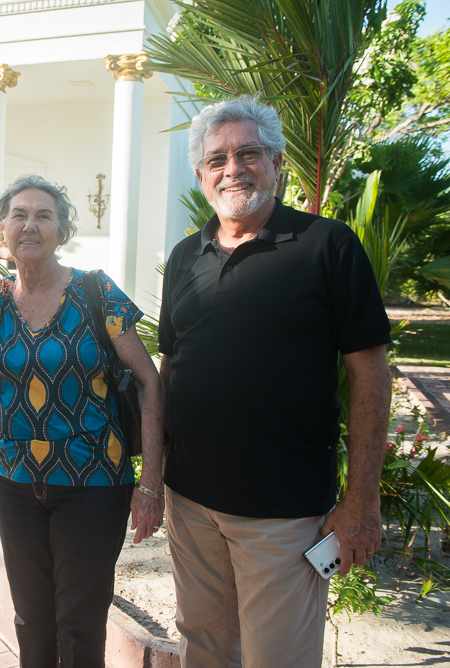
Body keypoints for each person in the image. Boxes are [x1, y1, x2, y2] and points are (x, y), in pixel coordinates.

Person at [158, 95, 391, 668]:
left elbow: (369, 374)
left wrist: (362, 499)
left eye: (249, 153)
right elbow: (171, 366)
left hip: (284, 515)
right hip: (189, 503)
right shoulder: (185, 256)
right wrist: (153, 477)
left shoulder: (327, 245)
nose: (232, 169)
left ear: (277, 162)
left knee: (277, 659)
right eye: (217, 159)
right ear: (201, 175)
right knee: (201, 648)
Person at [0, 174, 165, 667]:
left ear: (62, 230)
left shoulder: (95, 291)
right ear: (2, 228)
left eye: (43, 216)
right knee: (31, 618)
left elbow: (149, 381)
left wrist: (151, 484)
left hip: (93, 481)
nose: (30, 225)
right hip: (14, 482)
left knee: (79, 621)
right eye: (19, 216)